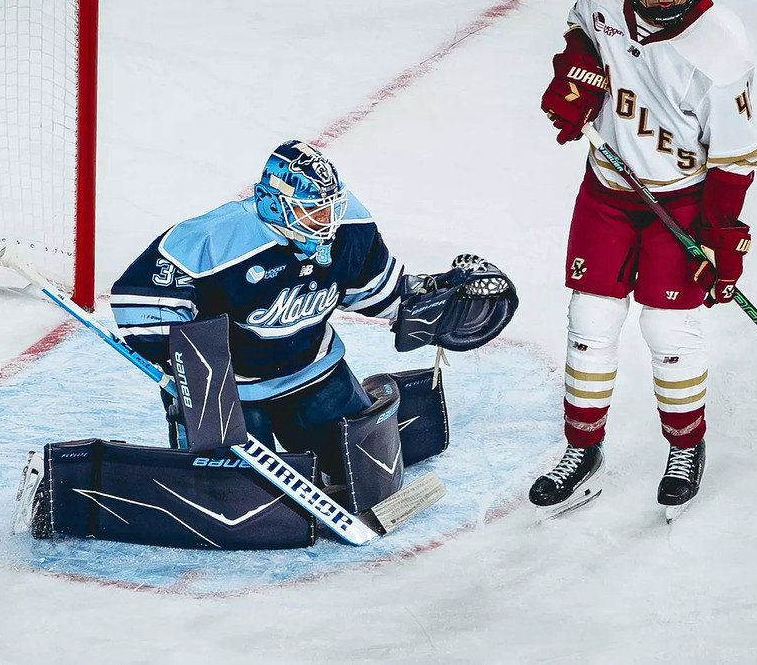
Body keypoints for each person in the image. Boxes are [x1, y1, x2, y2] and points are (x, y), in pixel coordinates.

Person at [110, 140, 514, 483]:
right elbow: (140, 303)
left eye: (330, 208)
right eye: (314, 211)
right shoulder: (212, 240)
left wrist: (430, 302)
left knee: (361, 472)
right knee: (237, 488)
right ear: (274, 205)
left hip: (313, 368)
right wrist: (186, 367)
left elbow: (374, 291)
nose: (327, 221)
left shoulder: (350, 226)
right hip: (233, 389)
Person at [531, 0, 757, 517]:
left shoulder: (721, 46)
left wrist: (720, 236)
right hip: (608, 191)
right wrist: (579, 76)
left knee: (668, 328)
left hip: (682, 200)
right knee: (590, 320)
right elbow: (583, 30)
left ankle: (686, 446)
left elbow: (734, 159)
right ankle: (583, 450)